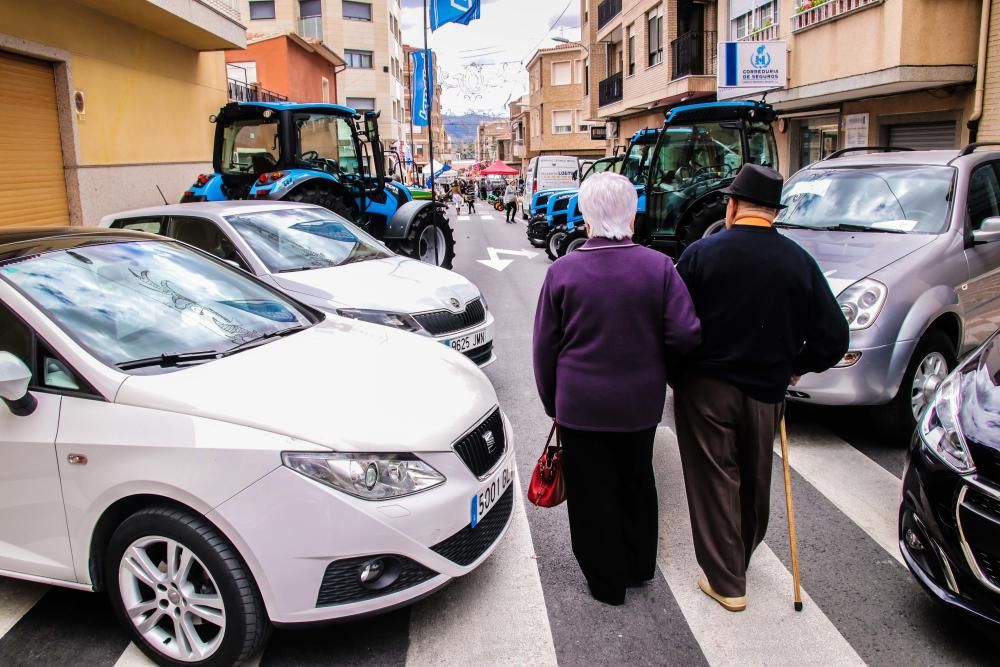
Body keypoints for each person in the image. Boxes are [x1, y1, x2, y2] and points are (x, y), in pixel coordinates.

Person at [673, 163, 849, 613]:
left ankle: (727, 580)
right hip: (766, 390)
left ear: (731, 207)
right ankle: (741, 556)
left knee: (715, 479)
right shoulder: (798, 262)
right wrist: (797, 366)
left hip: (706, 386)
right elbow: (834, 338)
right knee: (754, 475)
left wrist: (674, 372)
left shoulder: (701, 254)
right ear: (774, 211)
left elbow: (674, 324)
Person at [533, 172, 702, 606]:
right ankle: (638, 564)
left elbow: (545, 346)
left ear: (587, 218)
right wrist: (661, 369)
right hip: (640, 402)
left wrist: (553, 400)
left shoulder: (563, 271)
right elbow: (685, 334)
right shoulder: (659, 267)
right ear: (632, 216)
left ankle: (606, 582)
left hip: (580, 404)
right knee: (636, 480)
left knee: (591, 492)